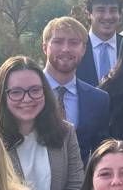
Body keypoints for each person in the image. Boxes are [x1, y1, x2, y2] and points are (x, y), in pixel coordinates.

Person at [0, 56, 84, 190]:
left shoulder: (65, 133)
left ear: (45, 92)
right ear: (2, 95)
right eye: (16, 92)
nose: (27, 99)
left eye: (35, 90)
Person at [42, 16, 111, 163]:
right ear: (44, 47)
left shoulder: (98, 99)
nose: (65, 49)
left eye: (73, 42)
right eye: (58, 42)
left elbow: (101, 153)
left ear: (84, 49)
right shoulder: (25, 91)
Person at [78, 0, 123, 87]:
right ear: (88, 13)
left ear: (120, 14)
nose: (107, 16)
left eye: (113, 10)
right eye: (101, 10)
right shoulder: (76, 48)